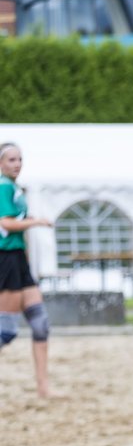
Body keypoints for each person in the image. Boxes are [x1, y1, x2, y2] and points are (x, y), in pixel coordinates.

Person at [0, 142, 55, 399]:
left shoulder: (15, 189)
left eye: (19, 159)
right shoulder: (3, 187)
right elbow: (6, 223)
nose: (17, 163)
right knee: (7, 331)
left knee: (40, 323)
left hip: (18, 259)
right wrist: (37, 221)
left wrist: (32, 219)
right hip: (6, 260)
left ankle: (43, 387)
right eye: (11, 159)